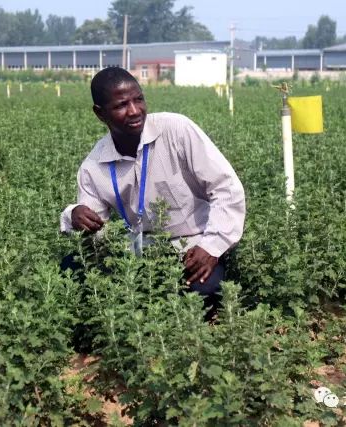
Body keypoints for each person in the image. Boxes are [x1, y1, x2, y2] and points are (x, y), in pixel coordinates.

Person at [60, 67, 245, 315]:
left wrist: (211, 248)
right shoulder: (94, 166)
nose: (134, 111)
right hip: (139, 252)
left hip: (192, 247)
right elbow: (97, 234)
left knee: (203, 291)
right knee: (71, 268)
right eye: (121, 105)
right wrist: (74, 215)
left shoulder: (177, 130)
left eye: (138, 99)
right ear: (100, 113)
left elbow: (226, 188)